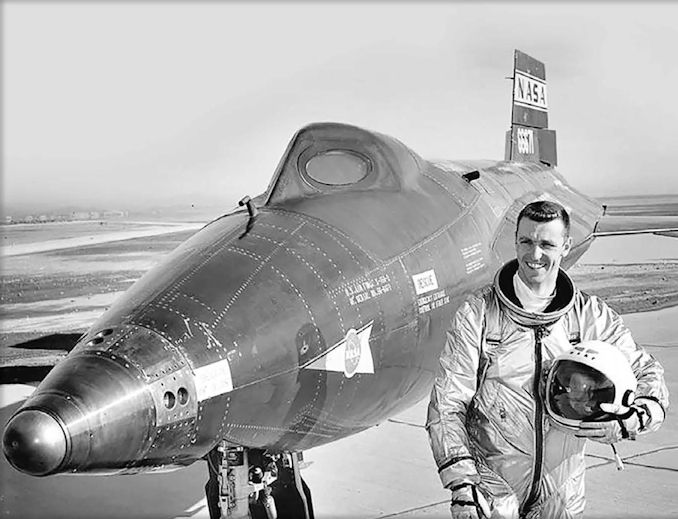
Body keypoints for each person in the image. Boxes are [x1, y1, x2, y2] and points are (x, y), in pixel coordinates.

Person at [426, 200, 669, 519]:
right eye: (526, 241)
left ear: (566, 246)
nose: (535, 254)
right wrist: (462, 482)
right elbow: (447, 404)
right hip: (493, 494)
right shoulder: (480, 315)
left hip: (561, 496)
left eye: (547, 244)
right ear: (515, 242)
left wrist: (636, 418)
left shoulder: (589, 316)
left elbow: (646, 371)